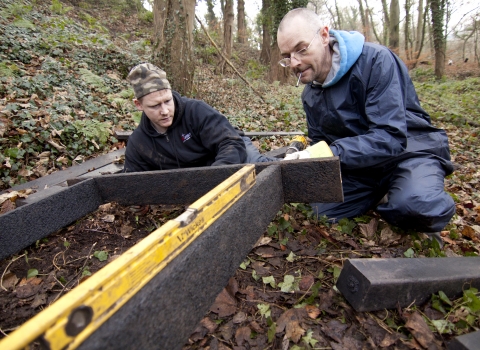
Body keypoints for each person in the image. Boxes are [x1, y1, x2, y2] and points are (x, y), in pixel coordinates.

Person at [277, 8, 455, 239]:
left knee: (415, 206)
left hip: (409, 152)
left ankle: (410, 188)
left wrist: (331, 152)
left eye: (301, 49)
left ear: (323, 36)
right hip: (362, 168)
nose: (294, 63)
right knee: (320, 211)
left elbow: (390, 137)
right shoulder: (310, 95)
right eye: (287, 56)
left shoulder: (376, 61)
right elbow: (322, 142)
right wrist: (305, 160)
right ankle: (384, 193)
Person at [123, 63, 275, 173]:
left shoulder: (195, 111)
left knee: (261, 168)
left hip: (233, 150)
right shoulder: (139, 143)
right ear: (139, 105)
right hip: (198, 177)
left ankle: (294, 159)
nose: (165, 111)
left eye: (167, 101)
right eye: (155, 106)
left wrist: (211, 178)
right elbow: (132, 180)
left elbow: (231, 143)